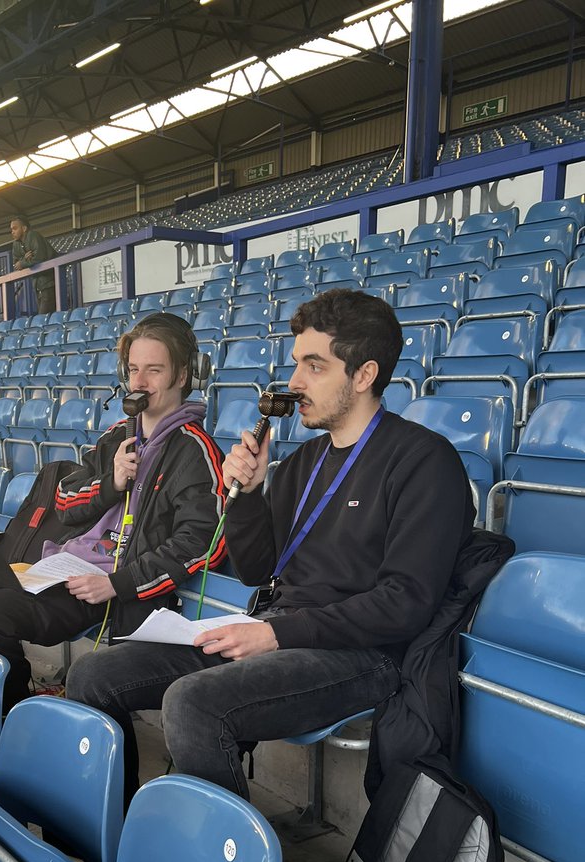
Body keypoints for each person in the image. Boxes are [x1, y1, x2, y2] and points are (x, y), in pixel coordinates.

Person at [65, 288, 476, 800]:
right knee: (94, 674)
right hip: (278, 628)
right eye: (296, 363)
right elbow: (259, 569)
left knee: (193, 703)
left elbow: (405, 603)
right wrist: (248, 498)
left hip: (363, 653)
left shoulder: (424, 461)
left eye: (314, 366)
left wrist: (278, 635)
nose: (295, 381)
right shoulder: (303, 462)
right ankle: (116, 830)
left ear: (364, 375)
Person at [0, 311, 227, 713]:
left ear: (184, 375)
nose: (140, 382)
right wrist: (111, 483)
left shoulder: (196, 452)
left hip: (108, 588)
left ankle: (15, 717)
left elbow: (203, 542)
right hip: (59, 570)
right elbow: (65, 503)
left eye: (154, 370)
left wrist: (118, 583)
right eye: (134, 369)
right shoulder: (116, 437)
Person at [10, 215, 58, 314]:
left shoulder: (33, 235)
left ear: (24, 228)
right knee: (43, 317)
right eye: (11, 229)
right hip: (36, 284)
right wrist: (24, 260)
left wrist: (22, 262)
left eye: (15, 228)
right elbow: (16, 264)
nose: (12, 232)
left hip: (49, 281)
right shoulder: (16, 244)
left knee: (43, 317)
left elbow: (39, 258)